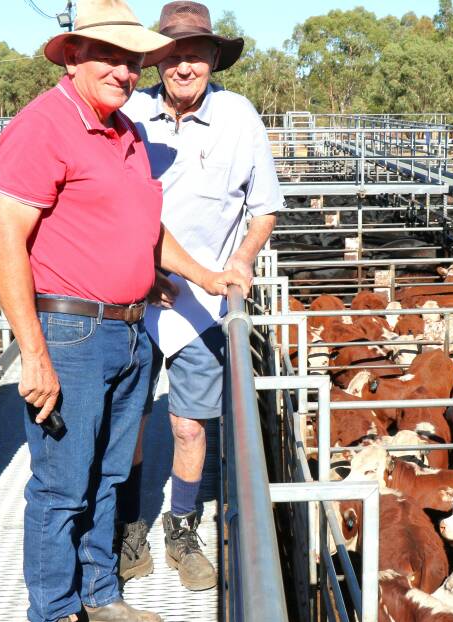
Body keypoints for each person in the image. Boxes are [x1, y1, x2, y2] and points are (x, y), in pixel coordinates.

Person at [0, 1, 248, 622]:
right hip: (71, 330)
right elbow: (3, 242)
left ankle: (100, 594)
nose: (124, 70)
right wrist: (34, 351)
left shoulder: (126, 131)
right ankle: (53, 611)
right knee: (61, 485)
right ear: (73, 56)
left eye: (133, 60)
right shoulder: (42, 126)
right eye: (108, 55)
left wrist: (205, 275)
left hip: (130, 329)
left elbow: (146, 228)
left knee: (107, 476)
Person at [116, 0, 280, 592]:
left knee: (188, 426)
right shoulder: (129, 115)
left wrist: (241, 259)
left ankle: (181, 525)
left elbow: (263, 207)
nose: (184, 67)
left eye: (196, 55)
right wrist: (138, 264)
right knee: (129, 421)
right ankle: (130, 525)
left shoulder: (240, 118)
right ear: (157, 61)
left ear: (214, 59)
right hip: (136, 293)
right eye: (172, 55)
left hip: (206, 302)